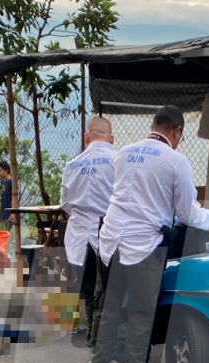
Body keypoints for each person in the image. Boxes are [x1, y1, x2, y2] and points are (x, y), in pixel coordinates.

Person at [86, 105, 209, 363]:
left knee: (109, 312)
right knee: (140, 315)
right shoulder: (176, 160)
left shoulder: (124, 153)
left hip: (110, 244)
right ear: (177, 131)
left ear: (153, 125)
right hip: (144, 248)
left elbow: (127, 196)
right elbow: (187, 213)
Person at [60, 117, 117, 348]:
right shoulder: (118, 161)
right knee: (109, 287)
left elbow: (65, 204)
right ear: (112, 139)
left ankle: (91, 333)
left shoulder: (72, 165)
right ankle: (102, 336)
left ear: (86, 138)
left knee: (86, 285)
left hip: (79, 234)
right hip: (108, 232)